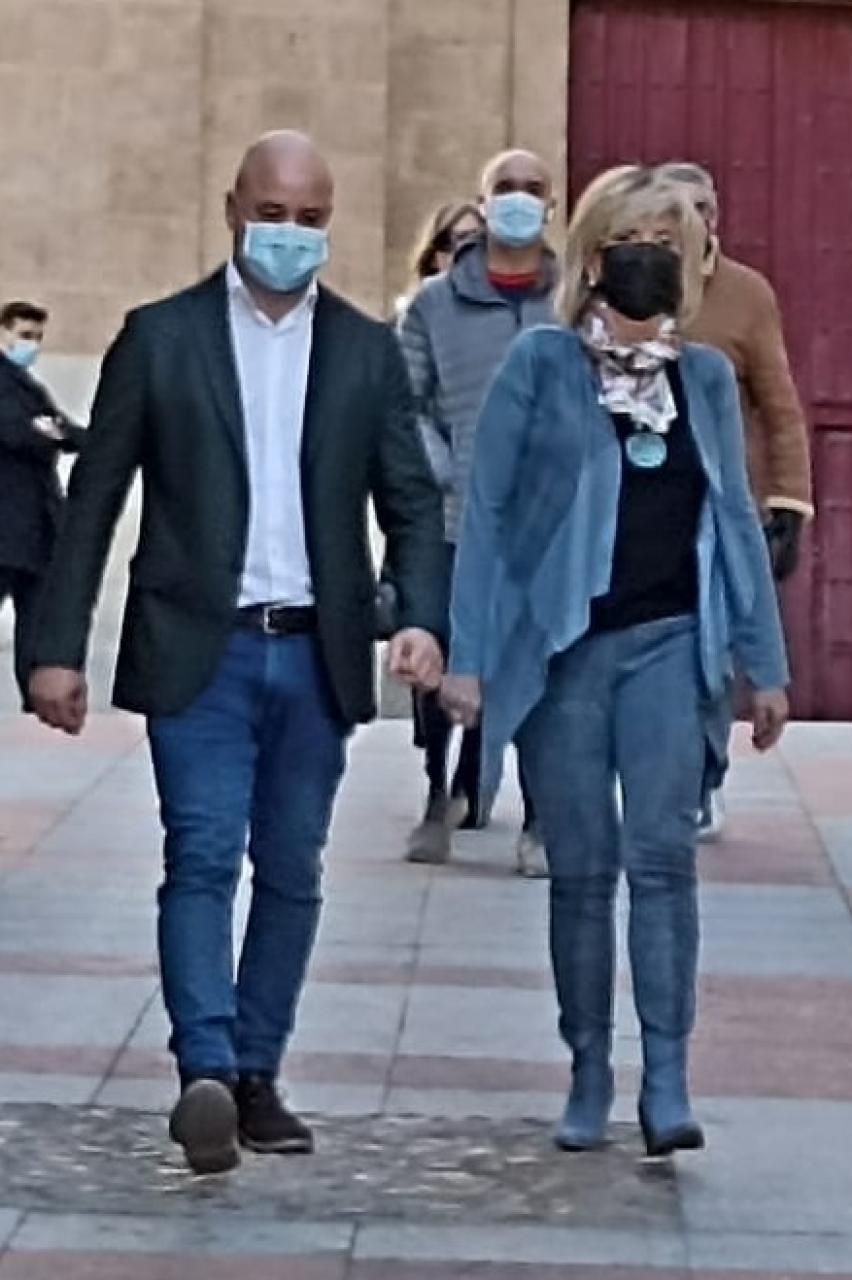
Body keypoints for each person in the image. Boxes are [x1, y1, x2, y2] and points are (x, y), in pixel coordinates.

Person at [27, 131, 448, 1176]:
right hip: (198, 649)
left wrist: (423, 616)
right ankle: (205, 1070)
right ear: (232, 210)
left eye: (311, 219)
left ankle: (257, 1071)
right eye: (272, 214)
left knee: (293, 866)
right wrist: (55, 648)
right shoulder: (160, 339)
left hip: (314, 652)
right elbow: (94, 500)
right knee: (204, 852)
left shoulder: (363, 351)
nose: (289, 235)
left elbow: (410, 499)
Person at [437, 165, 789, 1158]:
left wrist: (763, 661)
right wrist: (470, 656)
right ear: (593, 257)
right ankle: (589, 1068)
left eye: (668, 245)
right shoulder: (541, 364)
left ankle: (666, 1077)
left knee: (664, 861)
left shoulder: (703, 379)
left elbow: (734, 518)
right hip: (563, 656)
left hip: (670, 647)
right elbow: (487, 512)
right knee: (582, 870)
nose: (649, 260)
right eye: (632, 241)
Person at [398, 151, 560, 874]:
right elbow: (403, 403)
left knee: (542, 668)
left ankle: (540, 816)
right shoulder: (434, 305)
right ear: (483, 200)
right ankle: (440, 795)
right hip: (455, 520)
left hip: (548, 528)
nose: (518, 200)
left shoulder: (573, 302)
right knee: (441, 660)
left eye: (533, 189)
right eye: (505, 188)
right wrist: (446, 467)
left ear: (551, 206)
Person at [658, 162, 813, 841]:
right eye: (678, 209)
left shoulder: (747, 294)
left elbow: (780, 407)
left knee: (711, 649)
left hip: (720, 504)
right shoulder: (634, 284)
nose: (693, 220)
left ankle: (704, 776)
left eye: (703, 207)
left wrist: (789, 503)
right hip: (640, 500)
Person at [1, 300, 86, 704]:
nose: (30, 344)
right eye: (23, 335)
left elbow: (66, 431)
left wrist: (54, 431)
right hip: (7, 529)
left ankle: (36, 708)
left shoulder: (27, 387)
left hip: (35, 532)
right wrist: (47, 431)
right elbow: (15, 432)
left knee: (37, 628)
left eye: (36, 337)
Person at [395, 200, 484, 316]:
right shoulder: (417, 316)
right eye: (462, 237)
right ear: (435, 259)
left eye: (479, 237)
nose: (471, 247)